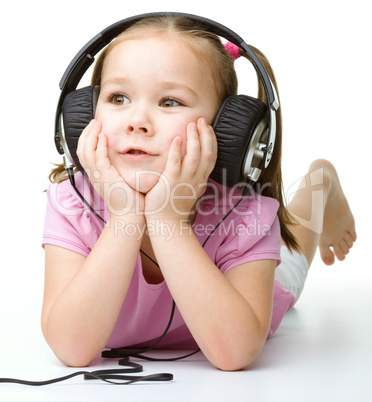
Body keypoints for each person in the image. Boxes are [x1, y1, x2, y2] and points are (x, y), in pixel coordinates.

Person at [41, 15, 356, 371]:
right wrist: (125, 216)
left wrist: (167, 221)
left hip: (245, 294)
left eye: (170, 102)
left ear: (226, 131)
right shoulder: (72, 204)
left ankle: (320, 181)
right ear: (83, 116)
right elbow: (70, 347)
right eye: (118, 97)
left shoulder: (244, 213)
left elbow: (234, 354)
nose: (137, 120)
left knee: (293, 261)